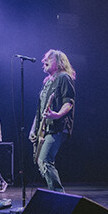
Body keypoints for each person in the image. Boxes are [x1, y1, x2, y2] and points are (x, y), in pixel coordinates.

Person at [29, 49, 76, 193]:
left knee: (44, 160)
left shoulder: (63, 77)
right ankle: (56, 195)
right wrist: (34, 129)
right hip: (44, 128)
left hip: (58, 126)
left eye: (48, 58)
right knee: (40, 161)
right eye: (44, 59)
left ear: (59, 61)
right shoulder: (47, 83)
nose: (44, 61)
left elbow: (69, 101)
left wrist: (57, 115)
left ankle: (59, 196)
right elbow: (41, 109)